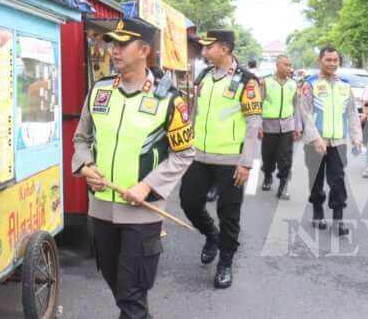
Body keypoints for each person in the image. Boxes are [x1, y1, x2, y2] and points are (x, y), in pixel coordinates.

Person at [72, 18, 195, 319]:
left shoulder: (168, 100)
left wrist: (148, 185)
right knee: (121, 290)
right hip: (100, 208)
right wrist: (86, 165)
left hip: (142, 211)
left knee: (131, 292)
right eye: (113, 42)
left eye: (123, 44)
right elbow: (81, 138)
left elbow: (184, 153)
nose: (115, 50)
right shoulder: (100, 91)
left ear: (144, 50)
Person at [179, 30, 262, 289]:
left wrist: (246, 162)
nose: (203, 52)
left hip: (231, 161)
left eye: (208, 47)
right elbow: (196, 115)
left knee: (229, 214)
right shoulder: (204, 77)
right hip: (200, 156)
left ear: (224, 49)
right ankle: (211, 235)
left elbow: (253, 123)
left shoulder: (247, 81)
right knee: (189, 203)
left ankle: (225, 262)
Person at [301, 46, 364, 236]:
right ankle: (318, 212)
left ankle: (338, 218)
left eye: (335, 60)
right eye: (328, 60)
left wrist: (356, 137)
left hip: (338, 143)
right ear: (320, 60)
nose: (332, 63)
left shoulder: (345, 85)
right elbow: (306, 113)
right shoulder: (310, 84)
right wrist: (315, 138)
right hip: (316, 143)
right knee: (316, 180)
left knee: (337, 180)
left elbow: (352, 113)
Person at [260, 55, 302, 200]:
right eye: (286, 65)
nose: (289, 68)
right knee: (268, 155)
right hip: (268, 125)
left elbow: (297, 106)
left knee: (286, 157)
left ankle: (283, 185)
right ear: (277, 65)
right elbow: (258, 104)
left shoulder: (294, 84)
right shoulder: (265, 82)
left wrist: (298, 127)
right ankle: (267, 175)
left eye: (290, 65)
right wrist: (258, 125)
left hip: (287, 126)